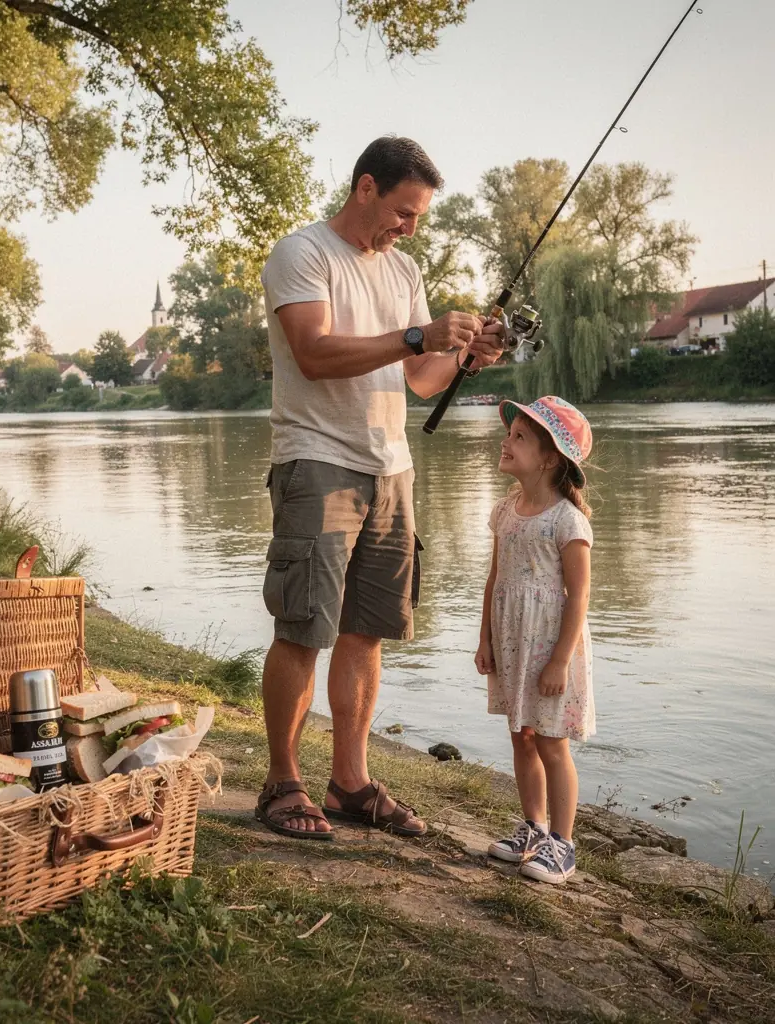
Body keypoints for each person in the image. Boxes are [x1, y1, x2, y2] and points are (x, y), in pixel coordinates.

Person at [255, 136, 506, 840]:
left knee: (367, 633)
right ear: (365, 188)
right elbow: (314, 352)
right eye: (403, 211)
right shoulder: (301, 253)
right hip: (318, 460)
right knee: (304, 627)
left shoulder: (404, 270)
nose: (410, 227)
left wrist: (463, 358)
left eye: (419, 216)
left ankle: (350, 784)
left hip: (391, 468)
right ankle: (281, 783)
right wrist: (417, 337)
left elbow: (421, 379)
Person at [476, 396, 595, 883]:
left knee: (550, 743)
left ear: (550, 458)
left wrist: (560, 661)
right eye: (511, 433)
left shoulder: (567, 520)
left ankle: (563, 845)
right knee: (520, 737)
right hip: (511, 644)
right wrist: (484, 639)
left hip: (549, 649)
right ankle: (534, 828)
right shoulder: (505, 510)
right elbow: (494, 578)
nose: (506, 441)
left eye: (520, 436)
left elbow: (579, 596)